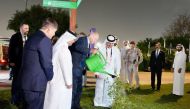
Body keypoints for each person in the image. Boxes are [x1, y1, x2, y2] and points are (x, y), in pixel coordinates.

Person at [19, 18, 57, 109]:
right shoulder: (45, 40)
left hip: (26, 82)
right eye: (54, 31)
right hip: (36, 84)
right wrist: (51, 76)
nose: (54, 34)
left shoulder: (32, 37)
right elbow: (47, 63)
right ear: (48, 29)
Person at [44, 31, 77, 109]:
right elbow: (65, 67)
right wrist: (68, 82)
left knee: (52, 100)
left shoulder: (58, 47)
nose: (73, 42)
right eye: (73, 40)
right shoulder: (64, 49)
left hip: (55, 79)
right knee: (60, 101)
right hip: (61, 81)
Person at [70, 31, 99, 109]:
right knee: (74, 90)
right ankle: (72, 106)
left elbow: (83, 56)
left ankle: (77, 105)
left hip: (80, 69)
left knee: (79, 89)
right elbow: (77, 47)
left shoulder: (88, 43)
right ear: (92, 35)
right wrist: (91, 50)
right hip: (75, 68)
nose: (96, 41)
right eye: (96, 39)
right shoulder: (83, 39)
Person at [94, 35, 121, 108]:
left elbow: (118, 63)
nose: (110, 45)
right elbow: (97, 61)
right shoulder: (101, 49)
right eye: (109, 43)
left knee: (109, 88)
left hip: (111, 72)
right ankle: (98, 102)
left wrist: (117, 73)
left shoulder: (116, 50)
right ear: (106, 42)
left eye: (112, 44)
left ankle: (108, 103)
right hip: (101, 71)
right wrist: (96, 72)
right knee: (100, 87)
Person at [8, 22, 29, 107]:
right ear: (20, 28)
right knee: (16, 81)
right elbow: (11, 49)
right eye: (25, 28)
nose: (27, 30)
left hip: (25, 64)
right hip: (16, 63)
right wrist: (12, 61)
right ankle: (14, 99)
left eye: (28, 28)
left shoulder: (28, 37)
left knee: (23, 82)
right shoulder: (15, 37)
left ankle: (21, 98)